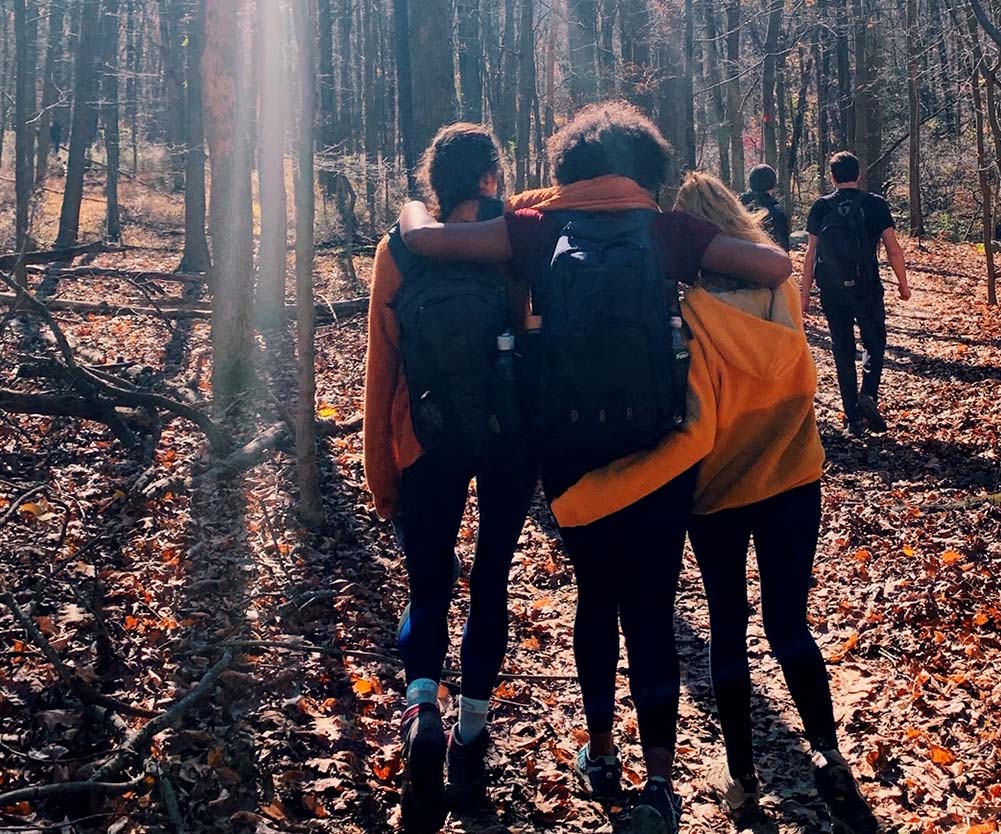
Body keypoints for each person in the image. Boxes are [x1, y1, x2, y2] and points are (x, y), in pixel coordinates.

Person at [397, 102, 792, 834]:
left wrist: (410, 210)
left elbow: (432, 243)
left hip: (567, 449)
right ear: (647, 168)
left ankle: (602, 753)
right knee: (649, 609)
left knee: (594, 600)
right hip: (657, 448)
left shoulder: (535, 228)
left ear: (567, 167)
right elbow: (773, 264)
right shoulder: (669, 231)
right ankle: (662, 782)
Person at [665, 172, 876, 833]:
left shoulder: (690, 310)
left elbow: (693, 410)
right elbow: (804, 380)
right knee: (789, 625)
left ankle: (741, 775)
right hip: (791, 479)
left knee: (726, 625)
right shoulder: (782, 289)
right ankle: (827, 753)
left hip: (718, 490)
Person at [363, 123, 536, 834]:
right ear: (491, 179)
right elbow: (536, 339)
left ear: (435, 183)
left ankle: (421, 708)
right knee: (490, 581)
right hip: (507, 441)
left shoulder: (399, 248)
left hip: (421, 438)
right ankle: (472, 733)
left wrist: (381, 471)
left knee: (427, 584)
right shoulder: (515, 245)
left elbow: (381, 368)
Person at [801, 150, 911, 436]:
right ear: (859, 175)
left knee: (842, 348)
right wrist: (903, 283)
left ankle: (852, 415)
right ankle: (869, 395)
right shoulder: (875, 204)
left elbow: (810, 255)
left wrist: (804, 294)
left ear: (832, 177)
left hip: (832, 290)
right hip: (867, 287)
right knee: (874, 343)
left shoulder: (821, 207)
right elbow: (892, 247)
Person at [740, 163, 790, 251]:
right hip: (766, 262)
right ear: (773, 186)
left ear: (750, 183)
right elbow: (783, 250)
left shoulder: (735, 208)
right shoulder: (777, 215)